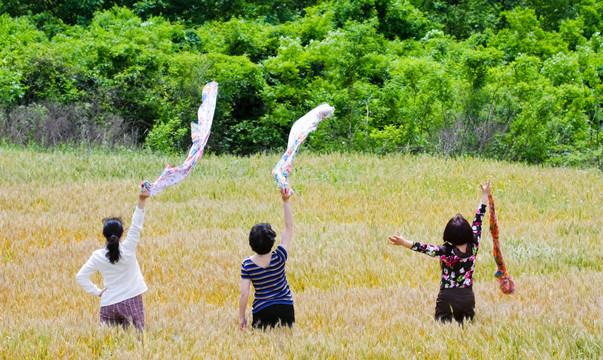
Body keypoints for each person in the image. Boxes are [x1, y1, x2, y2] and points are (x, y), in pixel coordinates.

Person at [388, 179, 491, 324]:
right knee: (465, 332)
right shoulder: (474, 244)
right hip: (467, 296)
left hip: (447, 296)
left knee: (443, 330)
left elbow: (423, 248)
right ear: (468, 232)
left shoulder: (445, 251)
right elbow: (478, 219)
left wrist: (404, 242)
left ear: (448, 234)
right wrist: (485, 194)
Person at [76, 189, 151, 331]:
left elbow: (80, 276)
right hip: (132, 302)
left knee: (106, 346)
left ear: (104, 235)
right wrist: (142, 199)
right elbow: (136, 225)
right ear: (122, 234)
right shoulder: (128, 248)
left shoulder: (97, 255)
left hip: (108, 304)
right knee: (136, 344)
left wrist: (97, 292)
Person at [239, 188, 294, 330]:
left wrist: (242, 317)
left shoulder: (247, 265)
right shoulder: (279, 256)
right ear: (272, 240)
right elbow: (289, 227)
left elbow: (244, 293)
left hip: (262, 311)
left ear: (251, 243)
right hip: (286, 308)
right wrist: (286, 201)